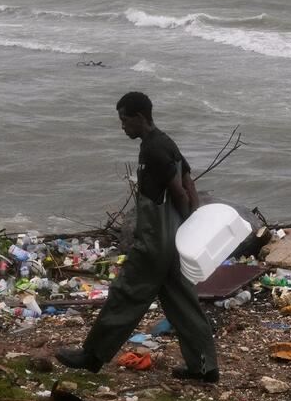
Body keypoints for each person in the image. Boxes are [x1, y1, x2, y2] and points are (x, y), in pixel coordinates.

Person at [55, 92, 219, 382]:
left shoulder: (152, 149)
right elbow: (189, 184)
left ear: (139, 118)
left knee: (125, 295)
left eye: (124, 120)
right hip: (174, 241)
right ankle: (205, 368)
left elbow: (179, 192)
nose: (122, 127)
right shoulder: (167, 142)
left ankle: (91, 356)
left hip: (156, 241)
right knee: (183, 304)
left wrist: (184, 225)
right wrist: (191, 227)